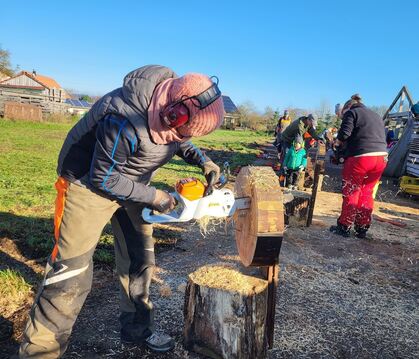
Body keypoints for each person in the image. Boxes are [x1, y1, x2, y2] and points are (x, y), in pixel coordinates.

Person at [19, 65, 225, 358]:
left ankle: (136, 331)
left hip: (132, 182)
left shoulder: (172, 113)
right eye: (182, 127)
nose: (182, 134)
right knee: (71, 273)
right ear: (172, 111)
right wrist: (156, 197)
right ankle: (40, 352)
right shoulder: (122, 119)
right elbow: (104, 178)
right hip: (86, 185)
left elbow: (180, 140)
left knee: (139, 261)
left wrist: (204, 161)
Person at [330, 94, 387, 239]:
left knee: (352, 190)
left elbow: (344, 134)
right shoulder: (375, 115)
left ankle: (344, 226)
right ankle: (362, 227)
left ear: (347, 107)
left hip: (361, 157)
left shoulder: (352, 112)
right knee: (367, 192)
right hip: (381, 157)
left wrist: (336, 144)